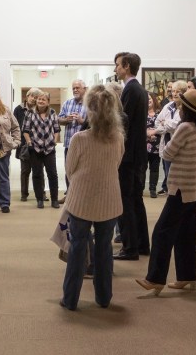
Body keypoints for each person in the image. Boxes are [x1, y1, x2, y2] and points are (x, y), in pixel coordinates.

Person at [135, 88, 196, 295]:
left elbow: (167, 154)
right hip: (193, 189)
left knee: (162, 232)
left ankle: (155, 279)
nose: (179, 107)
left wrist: (169, 136)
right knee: (185, 235)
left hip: (180, 189)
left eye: (181, 104)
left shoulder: (184, 127)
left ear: (187, 109)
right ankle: (187, 276)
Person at [60, 84, 124, 311]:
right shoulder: (117, 138)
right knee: (104, 249)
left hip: (81, 201)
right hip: (110, 201)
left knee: (77, 249)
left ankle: (70, 299)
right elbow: (116, 164)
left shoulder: (79, 139)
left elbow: (70, 171)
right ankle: (104, 297)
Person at [113, 52, 150, 261]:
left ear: (126, 66)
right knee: (136, 200)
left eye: (118, 65)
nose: (116, 69)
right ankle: (142, 244)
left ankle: (130, 247)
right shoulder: (139, 89)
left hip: (128, 156)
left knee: (126, 201)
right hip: (137, 155)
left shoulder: (131, 90)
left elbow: (122, 122)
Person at [22, 91, 61, 209]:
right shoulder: (30, 113)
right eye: (39, 99)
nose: (41, 101)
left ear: (48, 102)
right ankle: (39, 199)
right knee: (37, 174)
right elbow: (25, 130)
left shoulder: (53, 113)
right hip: (35, 148)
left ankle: (54, 200)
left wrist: (54, 141)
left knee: (52, 174)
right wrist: (29, 143)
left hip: (49, 148)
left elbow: (57, 129)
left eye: (43, 99)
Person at [153, 80, 187, 195]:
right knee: (168, 174)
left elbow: (179, 125)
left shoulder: (186, 108)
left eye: (178, 91)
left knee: (179, 176)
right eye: (173, 91)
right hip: (167, 145)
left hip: (180, 147)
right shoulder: (168, 106)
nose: (175, 94)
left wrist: (165, 123)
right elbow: (157, 123)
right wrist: (167, 125)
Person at [58, 79, 87, 191]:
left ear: (84, 89)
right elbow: (59, 120)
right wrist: (66, 119)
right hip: (69, 145)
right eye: (73, 88)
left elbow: (94, 123)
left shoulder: (91, 104)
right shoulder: (67, 103)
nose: (75, 90)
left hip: (84, 146)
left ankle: (81, 196)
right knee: (69, 170)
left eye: (77, 87)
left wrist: (82, 121)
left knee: (83, 171)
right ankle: (69, 195)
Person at [13, 87, 42, 202]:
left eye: (36, 97)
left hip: (38, 144)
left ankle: (41, 193)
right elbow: (14, 126)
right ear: (27, 96)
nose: (34, 99)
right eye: (32, 96)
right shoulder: (18, 109)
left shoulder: (40, 109)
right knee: (25, 171)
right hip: (24, 144)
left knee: (38, 170)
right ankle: (24, 194)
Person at [145, 92, 161, 198]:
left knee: (154, 169)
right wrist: (147, 133)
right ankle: (140, 187)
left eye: (150, 98)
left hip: (157, 146)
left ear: (153, 100)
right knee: (142, 168)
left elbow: (163, 127)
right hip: (144, 146)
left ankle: (153, 189)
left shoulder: (160, 114)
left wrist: (154, 132)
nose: (148, 100)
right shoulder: (141, 114)